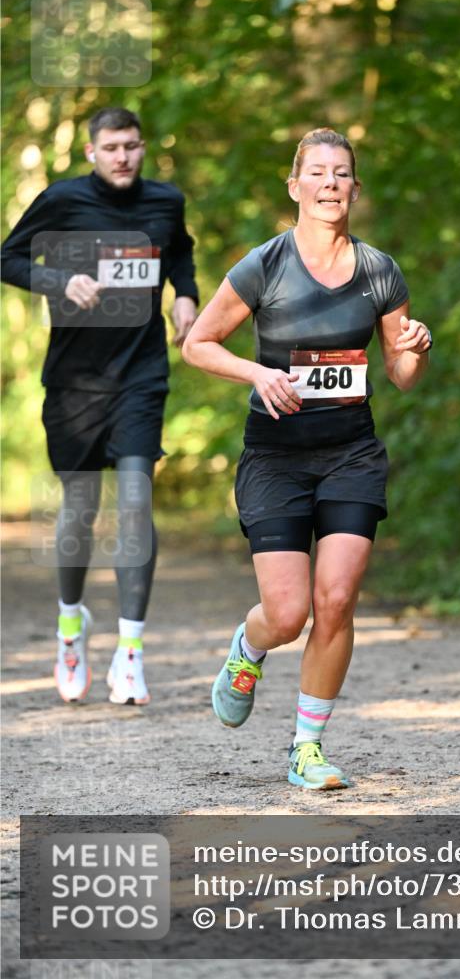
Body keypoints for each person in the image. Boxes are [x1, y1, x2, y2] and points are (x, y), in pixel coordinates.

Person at [182, 127, 430, 790]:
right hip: (275, 461)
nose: (329, 183)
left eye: (341, 173)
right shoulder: (264, 265)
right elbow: (197, 344)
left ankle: (306, 748)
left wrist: (415, 346)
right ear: (295, 187)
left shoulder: (380, 271)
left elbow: (401, 373)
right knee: (287, 614)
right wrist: (255, 376)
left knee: (338, 599)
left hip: (351, 454)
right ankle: (249, 646)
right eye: (316, 172)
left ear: (354, 187)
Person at [1, 107, 198, 706]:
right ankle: (70, 625)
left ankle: (131, 654)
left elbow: (180, 255)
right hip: (74, 383)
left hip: (141, 376)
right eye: (111, 147)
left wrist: (185, 298)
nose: (122, 157)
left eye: (132, 146)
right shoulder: (62, 201)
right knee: (79, 512)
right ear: (91, 152)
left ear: (144, 148)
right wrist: (58, 282)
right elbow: (6, 257)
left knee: (136, 505)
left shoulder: (165, 202)